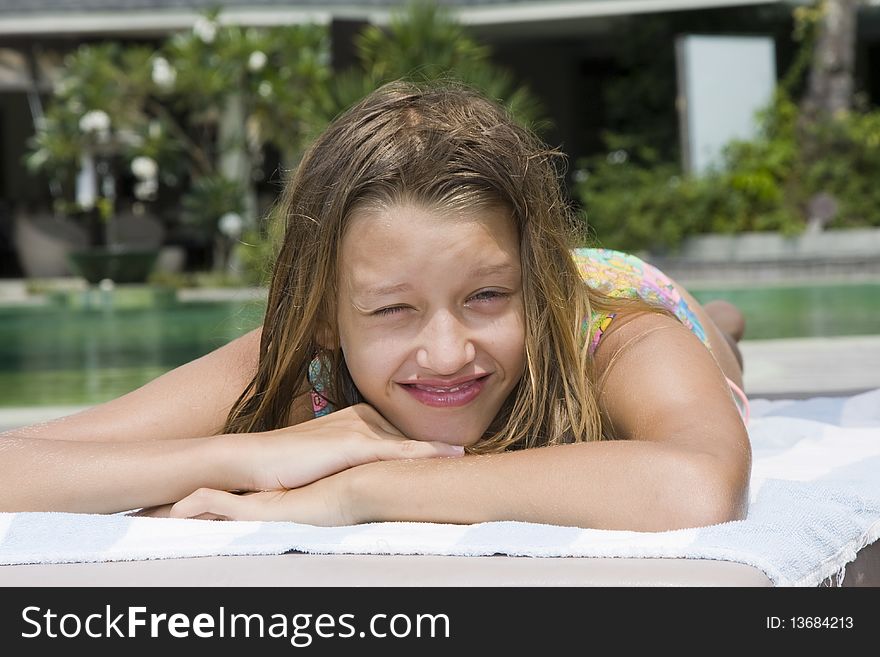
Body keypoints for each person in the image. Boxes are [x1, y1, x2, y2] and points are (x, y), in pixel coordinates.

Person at [0, 80, 751, 531]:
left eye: (485, 297)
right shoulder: (310, 361)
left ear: (533, 284)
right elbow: (17, 465)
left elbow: (699, 483)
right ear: (330, 312)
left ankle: (719, 324)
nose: (448, 351)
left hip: (623, 289)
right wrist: (249, 455)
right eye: (393, 311)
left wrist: (366, 489)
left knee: (711, 340)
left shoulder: (610, 339)